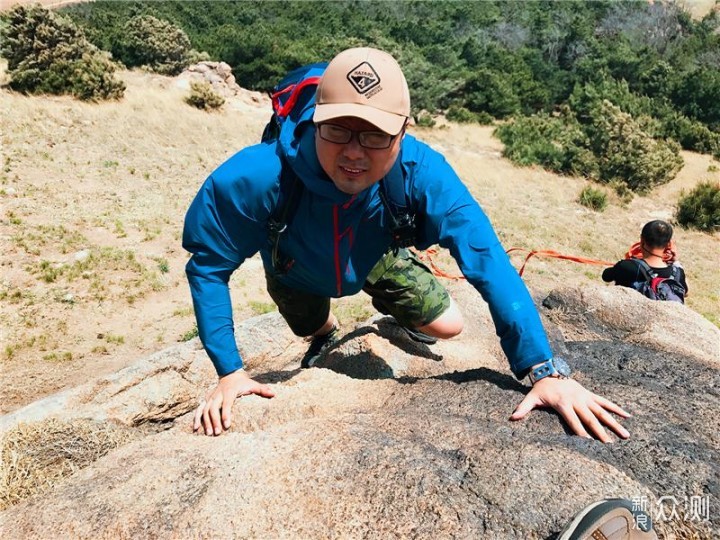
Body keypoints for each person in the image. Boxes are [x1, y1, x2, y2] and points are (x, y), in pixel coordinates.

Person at [183, 47, 631, 442]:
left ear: (403, 131)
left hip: (377, 256)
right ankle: (325, 334)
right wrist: (230, 372)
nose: (355, 152)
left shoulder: (423, 174)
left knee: (450, 326)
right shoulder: (260, 175)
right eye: (338, 129)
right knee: (309, 326)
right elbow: (208, 265)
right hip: (295, 264)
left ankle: (385, 316)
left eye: (376, 135)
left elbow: (488, 260)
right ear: (317, 118)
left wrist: (543, 370)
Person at [602, 220, 688, 301]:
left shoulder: (627, 267)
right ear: (669, 244)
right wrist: (676, 261)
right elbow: (686, 292)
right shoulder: (677, 273)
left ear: (642, 240)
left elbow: (606, 276)